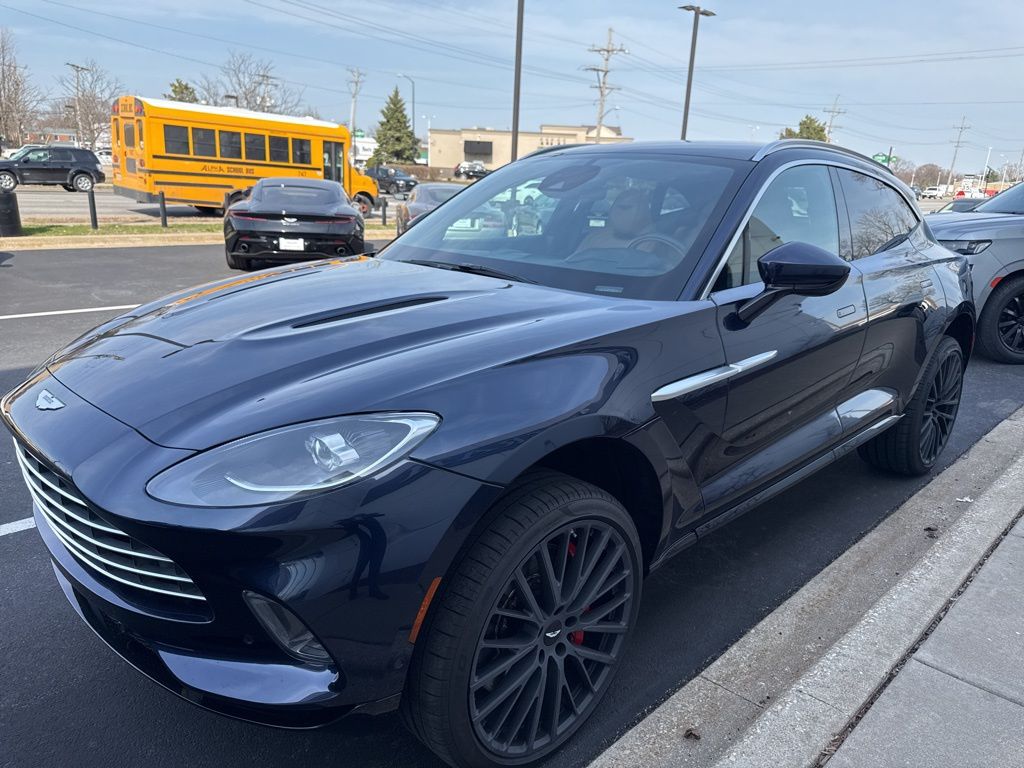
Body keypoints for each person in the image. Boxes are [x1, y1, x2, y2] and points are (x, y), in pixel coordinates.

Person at [574, 187, 654, 252]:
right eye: (615, 206)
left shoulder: (656, 242)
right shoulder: (594, 237)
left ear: (644, 211)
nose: (617, 212)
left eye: (625, 208)